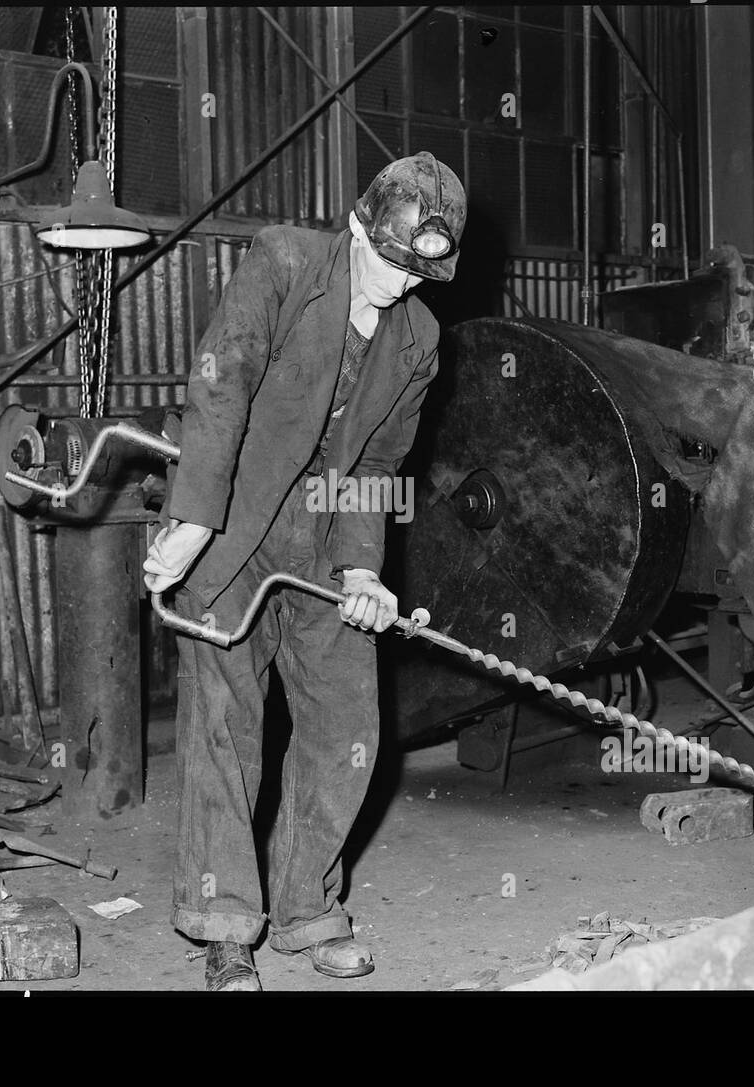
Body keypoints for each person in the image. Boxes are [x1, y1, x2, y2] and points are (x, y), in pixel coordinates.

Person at [144, 152, 466, 991]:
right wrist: (192, 519)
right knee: (226, 729)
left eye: (420, 274)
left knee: (350, 728)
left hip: (324, 542)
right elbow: (221, 384)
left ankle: (305, 909)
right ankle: (223, 926)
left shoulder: (420, 339)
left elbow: (380, 458)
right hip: (234, 526)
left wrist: (363, 568)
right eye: (393, 265)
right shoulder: (283, 261)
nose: (401, 287)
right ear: (359, 229)